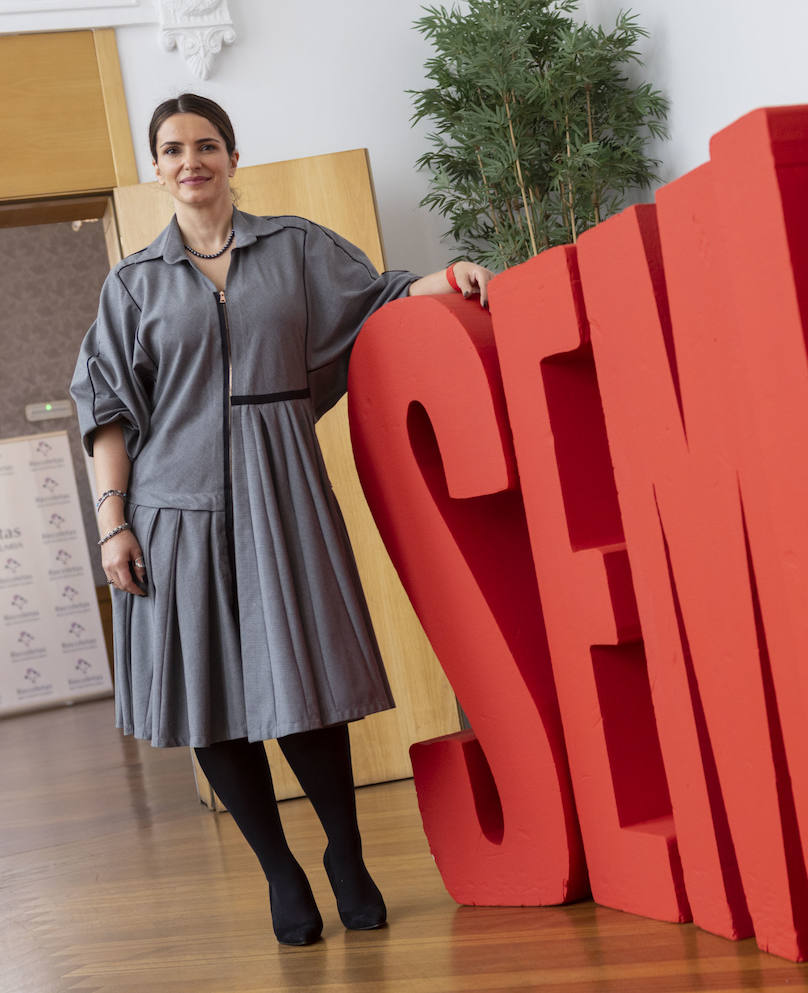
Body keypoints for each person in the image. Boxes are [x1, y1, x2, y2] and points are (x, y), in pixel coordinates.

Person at [69, 93, 495, 946]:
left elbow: (378, 303)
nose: (191, 159)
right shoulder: (133, 284)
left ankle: (345, 852)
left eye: (207, 145)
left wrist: (446, 279)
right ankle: (281, 871)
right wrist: (114, 523)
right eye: (173, 148)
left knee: (306, 688)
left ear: (232, 157)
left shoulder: (296, 247)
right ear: (157, 168)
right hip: (171, 511)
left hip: (281, 493)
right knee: (212, 703)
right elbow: (109, 411)